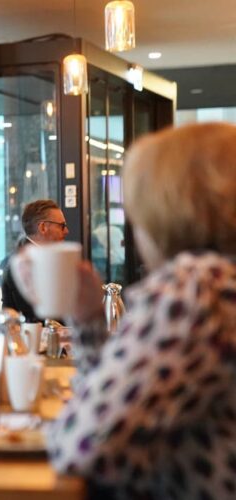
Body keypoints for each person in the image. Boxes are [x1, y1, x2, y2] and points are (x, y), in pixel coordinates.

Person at [41, 123, 236, 498]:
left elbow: (81, 446)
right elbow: (135, 398)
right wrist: (87, 320)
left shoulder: (197, 288)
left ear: (169, 208)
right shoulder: (222, 283)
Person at [1, 199, 69, 322]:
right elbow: (38, 318)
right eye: (62, 226)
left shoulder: (40, 258)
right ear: (43, 227)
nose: (66, 231)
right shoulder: (23, 264)